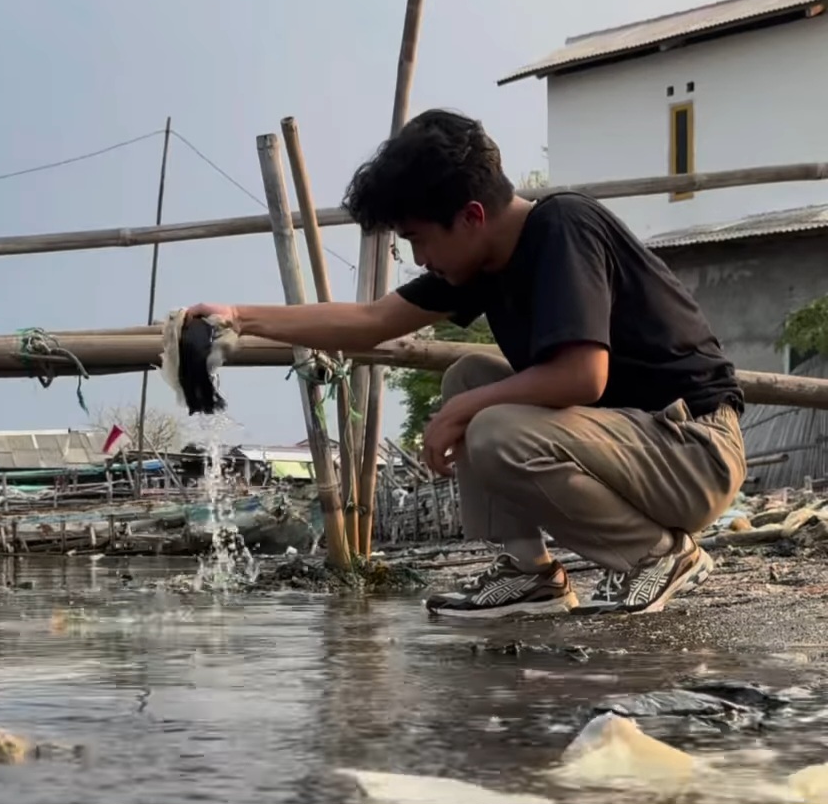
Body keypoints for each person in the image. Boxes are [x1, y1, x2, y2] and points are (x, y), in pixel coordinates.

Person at [186, 109, 746, 618]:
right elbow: (370, 321)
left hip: (693, 448)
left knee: (490, 420)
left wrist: (466, 412)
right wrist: (238, 316)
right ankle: (532, 574)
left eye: (419, 241)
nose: (421, 259)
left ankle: (658, 556)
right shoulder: (483, 263)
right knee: (468, 378)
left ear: (472, 215)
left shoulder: (563, 228)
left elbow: (582, 375)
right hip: (631, 442)